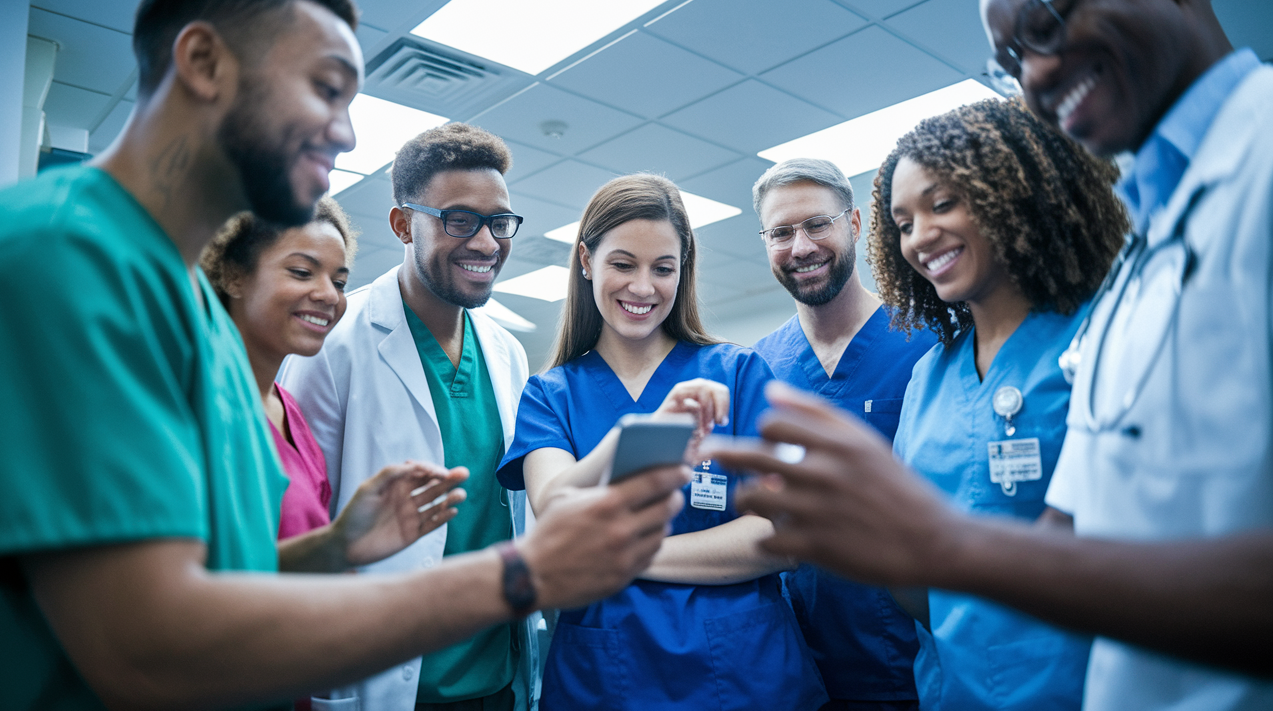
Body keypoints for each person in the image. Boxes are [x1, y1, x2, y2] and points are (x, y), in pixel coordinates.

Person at [0, 0, 686, 711]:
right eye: (325, 88)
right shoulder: (66, 257)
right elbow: (145, 648)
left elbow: (228, 578)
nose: (347, 133)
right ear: (202, 60)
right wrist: (520, 575)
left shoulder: (192, 311)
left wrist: (334, 547)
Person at [707, 0, 1273, 709]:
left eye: (1045, 24)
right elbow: (1041, 556)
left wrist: (940, 544)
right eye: (1010, 60)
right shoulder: (1128, 279)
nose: (1034, 74)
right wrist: (868, 543)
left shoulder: (1239, 182)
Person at [496, 174, 827, 710]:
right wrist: (639, 435)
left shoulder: (738, 374)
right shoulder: (551, 395)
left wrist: (623, 555)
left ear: (683, 271)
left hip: (745, 677)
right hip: (606, 676)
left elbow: (786, 536)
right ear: (586, 261)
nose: (643, 288)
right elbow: (557, 513)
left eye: (663, 268)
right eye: (623, 264)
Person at [876, 97, 1126, 709]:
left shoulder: (1105, 335)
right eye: (903, 223)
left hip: (1089, 687)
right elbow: (913, 572)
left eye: (942, 204)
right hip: (953, 687)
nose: (920, 238)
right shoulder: (928, 378)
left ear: (1010, 194)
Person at [280, 122, 539, 711]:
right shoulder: (336, 342)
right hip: (384, 677)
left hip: (496, 678)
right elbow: (301, 520)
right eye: (458, 219)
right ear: (403, 224)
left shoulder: (508, 353)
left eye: (499, 222)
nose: (485, 242)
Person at [751, 158, 936, 710]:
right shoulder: (757, 368)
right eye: (780, 232)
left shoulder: (927, 343)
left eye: (817, 224)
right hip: (792, 666)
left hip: (911, 662)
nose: (800, 246)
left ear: (853, 224)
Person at [201, 199, 469, 574]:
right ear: (233, 275)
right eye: (301, 272)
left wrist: (339, 545)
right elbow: (183, 583)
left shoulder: (287, 411)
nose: (329, 295)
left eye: (339, 282)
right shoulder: (195, 408)